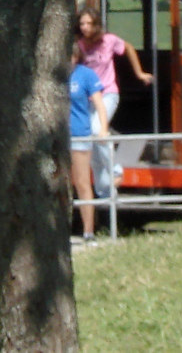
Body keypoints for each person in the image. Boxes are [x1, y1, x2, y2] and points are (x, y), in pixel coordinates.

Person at [75, 7, 153, 199]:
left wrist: (139, 73)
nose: (84, 27)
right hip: (88, 98)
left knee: (96, 130)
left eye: (88, 24)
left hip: (108, 93)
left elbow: (128, 48)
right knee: (90, 144)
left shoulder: (109, 41)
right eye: (82, 24)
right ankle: (105, 193)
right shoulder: (80, 45)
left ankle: (116, 169)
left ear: (96, 25)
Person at [68, 46, 109, 245]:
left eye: (71, 55)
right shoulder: (50, 75)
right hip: (55, 139)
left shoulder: (86, 75)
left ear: (77, 56)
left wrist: (103, 128)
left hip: (79, 135)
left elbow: (100, 105)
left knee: (83, 182)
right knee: (54, 179)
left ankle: (88, 231)